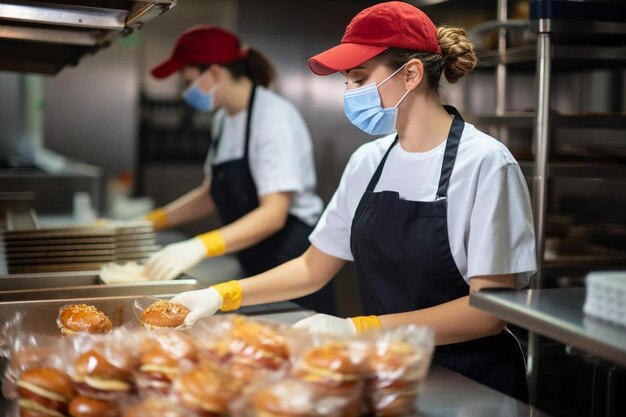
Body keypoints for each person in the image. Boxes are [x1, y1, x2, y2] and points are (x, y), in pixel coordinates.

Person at [171, 2, 536, 402]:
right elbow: (313, 267)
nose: (350, 93)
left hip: (473, 384)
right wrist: (221, 296)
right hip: (391, 374)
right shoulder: (369, 161)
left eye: (359, 78)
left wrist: (359, 329)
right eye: (347, 81)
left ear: (411, 74)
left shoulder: (485, 163)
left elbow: (487, 313)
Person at [144, 25, 336, 315]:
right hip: (252, 256)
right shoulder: (224, 119)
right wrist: (151, 221)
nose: (186, 92)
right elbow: (210, 194)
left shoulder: (274, 117)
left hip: (290, 260)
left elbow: (273, 214)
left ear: (215, 73)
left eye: (188, 81)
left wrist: (201, 245)